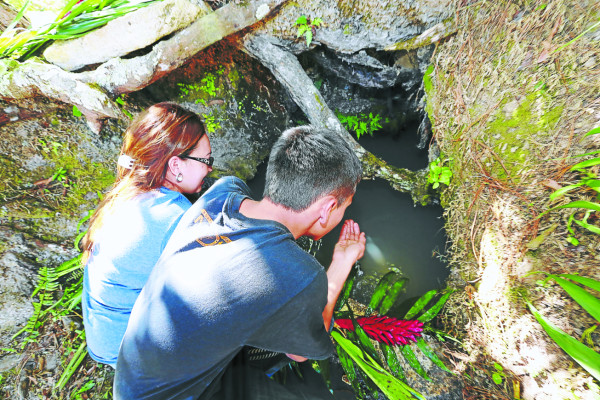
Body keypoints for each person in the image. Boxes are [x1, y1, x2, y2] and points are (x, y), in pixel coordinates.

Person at [114, 125, 366, 399]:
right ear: (327, 208)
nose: (343, 213)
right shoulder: (297, 275)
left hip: (134, 374)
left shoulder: (224, 192)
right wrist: (341, 262)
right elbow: (300, 353)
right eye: (344, 206)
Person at [81, 102, 213, 368]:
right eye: (206, 160)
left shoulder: (130, 191)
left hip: (106, 340)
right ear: (176, 165)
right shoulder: (173, 215)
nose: (210, 168)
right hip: (135, 356)